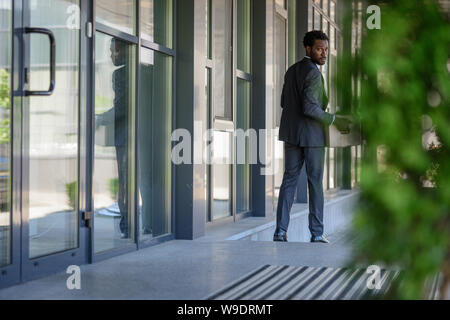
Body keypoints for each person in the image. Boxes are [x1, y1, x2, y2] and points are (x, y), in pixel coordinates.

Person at [273, 30, 352, 243]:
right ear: (308, 48)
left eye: (326, 49)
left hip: (291, 133)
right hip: (312, 137)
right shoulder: (314, 74)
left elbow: (283, 102)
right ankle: (316, 233)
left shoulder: (291, 71)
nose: (324, 53)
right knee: (315, 182)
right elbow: (310, 108)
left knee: (288, 181)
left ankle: (280, 231)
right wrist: (335, 119)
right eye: (319, 49)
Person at [96, 38, 130, 239]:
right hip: (144, 136)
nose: (111, 55)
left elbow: (122, 107)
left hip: (126, 138)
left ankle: (127, 227)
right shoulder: (145, 71)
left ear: (124, 51)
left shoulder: (121, 74)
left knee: (126, 183)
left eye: (114, 51)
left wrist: (100, 118)